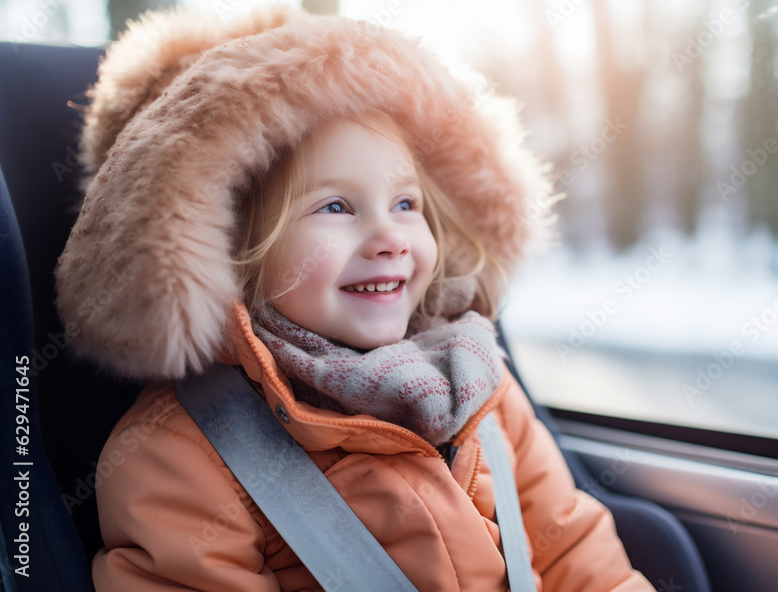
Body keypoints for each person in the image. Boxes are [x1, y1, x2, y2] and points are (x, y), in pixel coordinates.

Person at [55, 4, 655, 591]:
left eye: (406, 204)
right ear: (230, 245)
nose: (390, 237)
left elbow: (574, 552)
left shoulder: (479, 389)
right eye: (336, 207)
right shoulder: (180, 455)